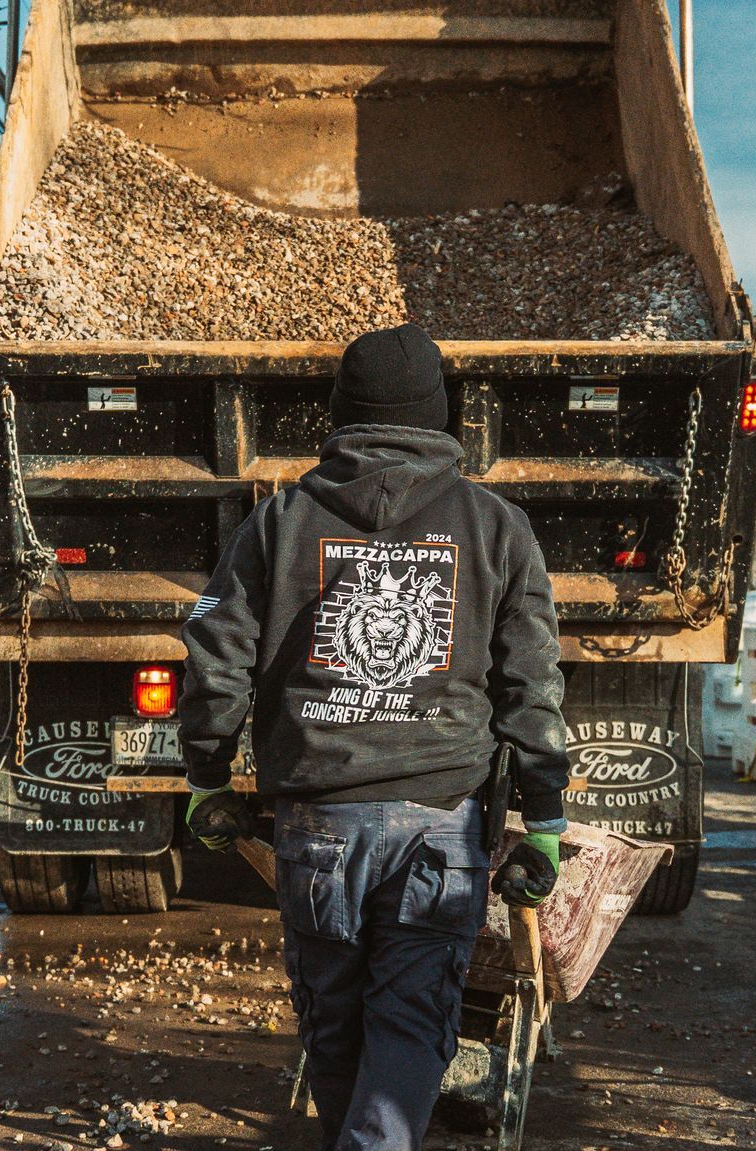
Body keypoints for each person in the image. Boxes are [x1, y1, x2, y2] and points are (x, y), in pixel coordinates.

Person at [176, 322, 571, 1151]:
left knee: (332, 1019)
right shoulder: (496, 527)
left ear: (342, 410)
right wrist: (544, 817)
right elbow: (531, 683)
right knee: (412, 1021)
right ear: (439, 414)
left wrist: (207, 774)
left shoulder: (281, 519)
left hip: (319, 824)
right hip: (441, 824)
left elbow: (217, 652)